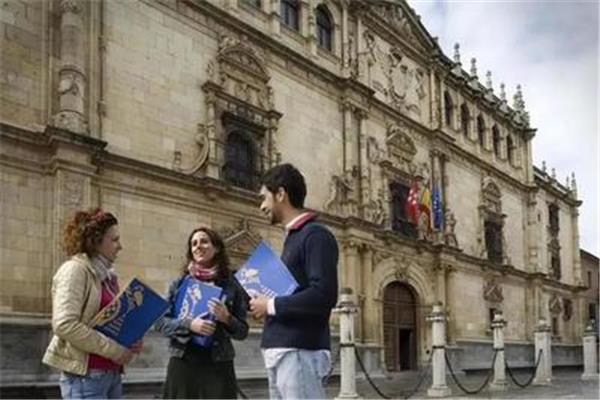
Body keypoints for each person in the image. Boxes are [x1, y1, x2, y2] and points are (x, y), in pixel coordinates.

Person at [250, 163, 339, 399]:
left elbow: (324, 294)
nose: (261, 207)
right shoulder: (294, 238)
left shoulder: (316, 235)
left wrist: (270, 305)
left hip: (299, 351)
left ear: (281, 194)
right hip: (283, 350)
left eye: (264, 198)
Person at [42, 208, 142, 399]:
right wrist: (115, 350)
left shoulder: (108, 277)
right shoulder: (75, 270)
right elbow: (65, 324)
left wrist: (130, 340)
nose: (120, 246)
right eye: (114, 240)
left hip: (111, 373)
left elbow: (110, 322)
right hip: (85, 376)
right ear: (95, 241)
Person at [155, 227, 249, 399]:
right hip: (183, 362)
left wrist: (227, 318)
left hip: (219, 365)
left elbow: (243, 331)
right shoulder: (179, 284)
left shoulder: (231, 286)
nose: (198, 246)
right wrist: (190, 324)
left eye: (204, 241)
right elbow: (160, 322)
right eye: (194, 243)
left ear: (217, 248)